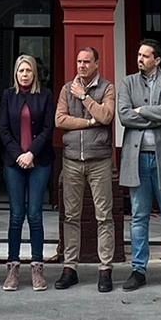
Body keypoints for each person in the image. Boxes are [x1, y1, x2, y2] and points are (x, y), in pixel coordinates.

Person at [117, 38, 161, 293]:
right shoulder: (128, 82)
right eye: (138, 55)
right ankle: (138, 269)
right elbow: (124, 115)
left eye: (145, 56)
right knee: (138, 216)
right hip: (137, 160)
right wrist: (155, 115)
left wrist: (143, 111)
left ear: (157, 60)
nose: (140, 59)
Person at [54, 46, 116, 292]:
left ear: (96, 64)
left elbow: (107, 116)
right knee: (71, 216)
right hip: (71, 160)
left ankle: (105, 269)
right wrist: (90, 121)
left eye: (87, 61)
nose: (81, 65)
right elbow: (60, 120)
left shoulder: (107, 88)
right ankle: (70, 267)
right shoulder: (65, 89)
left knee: (104, 216)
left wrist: (84, 97)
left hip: (99, 159)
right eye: (79, 61)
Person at [0, 53, 54, 291]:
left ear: (34, 73)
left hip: (39, 161)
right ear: (16, 73)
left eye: (28, 71)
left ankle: (37, 267)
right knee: (16, 215)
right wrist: (18, 155)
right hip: (14, 163)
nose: (24, 75)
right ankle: (12, 268)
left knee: (34, 215)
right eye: (21, 71)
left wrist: (31, 152)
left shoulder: (45, 95)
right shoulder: (8, 96)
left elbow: (48, 128)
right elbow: (2, 129)